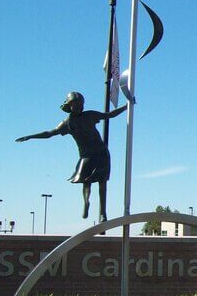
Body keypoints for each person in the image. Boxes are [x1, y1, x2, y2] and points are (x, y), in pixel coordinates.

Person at [16, 92, 126, 221]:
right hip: (86, 155)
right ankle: (86, 202)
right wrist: (31, 136)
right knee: (85, 180)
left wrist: (126, 106)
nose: (79, 107)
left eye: (81, 104)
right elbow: (50, 133)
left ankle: (103, 212)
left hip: (101, 152)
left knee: (102, 183)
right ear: (69, 106)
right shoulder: (67, 123)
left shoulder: (90, 115)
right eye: (76, 105)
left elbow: (109, 115)